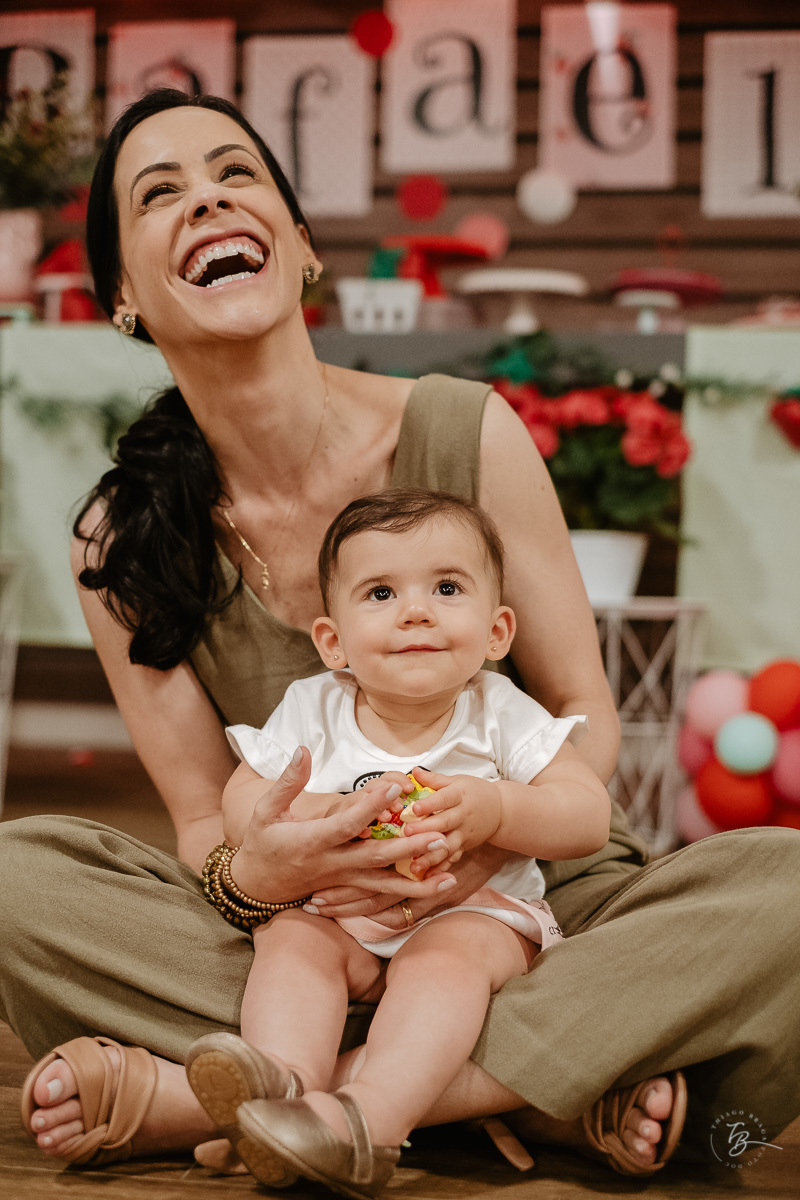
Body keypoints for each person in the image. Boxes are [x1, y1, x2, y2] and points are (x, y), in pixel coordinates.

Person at [3, 88, 797, 1179]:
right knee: (19, 879)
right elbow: (201, 820)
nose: (207, 200)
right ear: (125, 295)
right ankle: (548, 1091)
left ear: (301, 243)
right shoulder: (124, 540)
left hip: (531, 905)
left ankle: (240, 1099)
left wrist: (490, 840)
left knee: (783, 894)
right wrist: (267, 875)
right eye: (161, 193)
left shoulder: (464, 431)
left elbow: (588, 721)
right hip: (306, 930)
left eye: (236, 175)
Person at [185, 488, 611, 1196]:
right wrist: (326, 810)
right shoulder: (311, 707)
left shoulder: (497, 712)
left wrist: (496, 809)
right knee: (291, 940)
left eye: (447, 587)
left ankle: (366, 1121)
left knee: (443, 963)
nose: (416, 610)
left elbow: (586, 815)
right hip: (342, 916)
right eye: (380, 592)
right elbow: (242, 800)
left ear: (498, 630)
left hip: (472, 918)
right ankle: (280, 1093)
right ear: (333, 642)